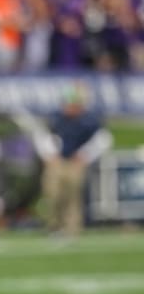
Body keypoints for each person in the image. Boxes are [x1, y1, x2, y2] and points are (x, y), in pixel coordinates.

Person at [41, 86, 112, 237]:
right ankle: (55, 226)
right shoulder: (57, 118)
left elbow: (104, 140)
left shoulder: (89, 120)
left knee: (73, 196)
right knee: (53, 194)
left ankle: (72, 229)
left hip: (76, 162)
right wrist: (50, 154)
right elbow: (47, 137)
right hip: (58, 161)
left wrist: (85, 155)